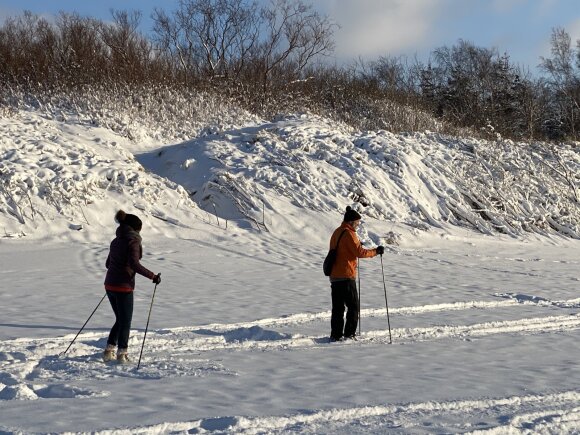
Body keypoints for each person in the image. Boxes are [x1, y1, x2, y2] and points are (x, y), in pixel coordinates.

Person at [103, 210, 160, 363]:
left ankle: (109, 350)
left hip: (109, 285)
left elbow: (108, 264)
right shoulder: (133, 241)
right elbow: (134, 264)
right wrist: (153, 276)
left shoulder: (115, 241)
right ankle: (122, 354)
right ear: (135, 229)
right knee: (125, 320)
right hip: (123, 286)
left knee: (120, 318)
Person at [327, 206, 384, 342]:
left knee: (338, 308)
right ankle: (349, 334)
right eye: (357, 223)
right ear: (351, 222)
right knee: (353, 306)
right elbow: (359, 253)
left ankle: (336, 335)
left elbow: (344, 249)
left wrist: (356, 244)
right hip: (346, 275)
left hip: (335, 275)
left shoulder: (337, 232)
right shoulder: (349, 233)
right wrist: (376, 251)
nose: (358, 225)